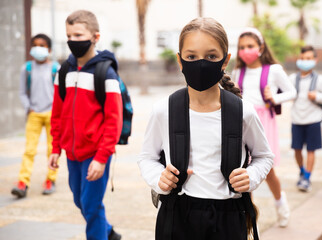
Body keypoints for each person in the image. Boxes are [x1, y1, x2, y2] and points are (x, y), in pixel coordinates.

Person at [137, 18, 274, 240]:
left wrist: (251, 176)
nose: (201, 64)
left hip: (229, 217)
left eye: (211, 56)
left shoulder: (243, 112)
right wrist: (158, 179)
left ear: (225, 61)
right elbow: (147, 157)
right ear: (180, 61)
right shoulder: (164, 110)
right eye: (191, 57)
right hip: (177, 216)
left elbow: (264, 156)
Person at [48, 10, 122, 240]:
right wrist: (55, 148)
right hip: (71, 152)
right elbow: (57, 114)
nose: (73, 41)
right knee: (79, 200)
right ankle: (108, 232)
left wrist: (102, 157)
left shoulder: (106, 74)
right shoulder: (64, 71)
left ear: (95, 37)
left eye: (78, 35)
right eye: (69, 36)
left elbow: (114, 120)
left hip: (95, 153)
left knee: (90, 206)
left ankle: (101, 234)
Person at [232, 27, 296, 227]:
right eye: (242, 47)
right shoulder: (237, 72)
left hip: (264, 122)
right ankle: (248, 216)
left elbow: (291, 92)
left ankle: (280, 203)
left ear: (260, 47)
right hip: (241, 122)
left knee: (267, 170)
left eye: (250, 46)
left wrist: (274, 97)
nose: (245, 50)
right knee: (245, 169)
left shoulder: (273, 70)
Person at [11, 34, 60, 198]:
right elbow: (22, 92)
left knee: (52, 149)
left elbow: (61, 93)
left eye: (42, 45)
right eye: (35, 45)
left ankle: (50, 180)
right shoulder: (27, 68)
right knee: (29, 150)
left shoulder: (56, 68)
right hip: (34, 115)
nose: (38, 48)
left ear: (49, 50)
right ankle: (23, 182)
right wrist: (29, 108)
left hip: (52, 114)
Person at [289, 45, 322, 192]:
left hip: (313, 120)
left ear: (315, 60)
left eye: (308, 59)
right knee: (296, 149)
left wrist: (317, 96)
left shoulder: (320, 80)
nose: (304, 61)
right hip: (297, 119)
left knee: (311, 150)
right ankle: (302, 170)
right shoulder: (292, 79)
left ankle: (307, 177)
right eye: (302, 58)